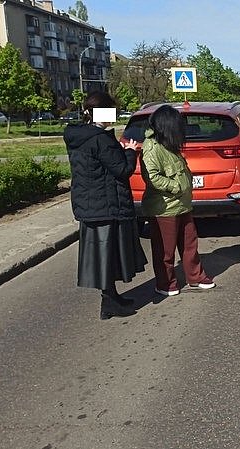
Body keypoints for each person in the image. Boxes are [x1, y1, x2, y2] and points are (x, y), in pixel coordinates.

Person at [63, 91, 147, 320]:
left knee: (104, 257)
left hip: (91, 204)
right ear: (99, 112)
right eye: (110, 110)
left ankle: (111, 296)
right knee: (108, 256)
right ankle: (109, 303)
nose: (113, 115)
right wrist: (130, 152)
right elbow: (122, 170)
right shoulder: (100, 138)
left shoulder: (79, 135)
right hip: (106, 204)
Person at [140, 105, 214, 296]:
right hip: (164, 207)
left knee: (190, 243)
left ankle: (195, 277)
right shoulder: (152, 148)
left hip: (182, 204)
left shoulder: (168, 144)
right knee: (165, 249)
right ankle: (166, 283)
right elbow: (152, 177)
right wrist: (176, 187)